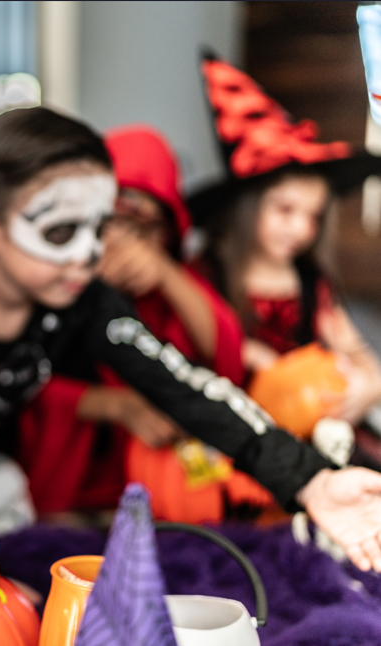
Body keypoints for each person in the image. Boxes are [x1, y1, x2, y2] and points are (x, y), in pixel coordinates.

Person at [0, 105, 381, 573]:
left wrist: (309, 480)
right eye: (59, 232)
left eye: (98, 228)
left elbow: (186, 385)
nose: (86, 254)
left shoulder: (79, 294)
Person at [17, 125, 271, 523]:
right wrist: (113, 406)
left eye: (142, 227)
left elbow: (225, 358)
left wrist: (166, 273)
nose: (121, 241)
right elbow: (15, 383)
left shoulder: (170, 286)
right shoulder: (50, 285)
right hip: (66, 494)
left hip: (159, 492)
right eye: (110, 222)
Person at [189, 55, 381, 434]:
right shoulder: (207, 273)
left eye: (313, 216)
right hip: (234, 431)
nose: (300, 229)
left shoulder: (311, 279)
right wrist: (245, 353)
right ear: (247, 208)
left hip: (311, 422)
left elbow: (353, 347)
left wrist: (371, 384)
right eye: (285, 210)